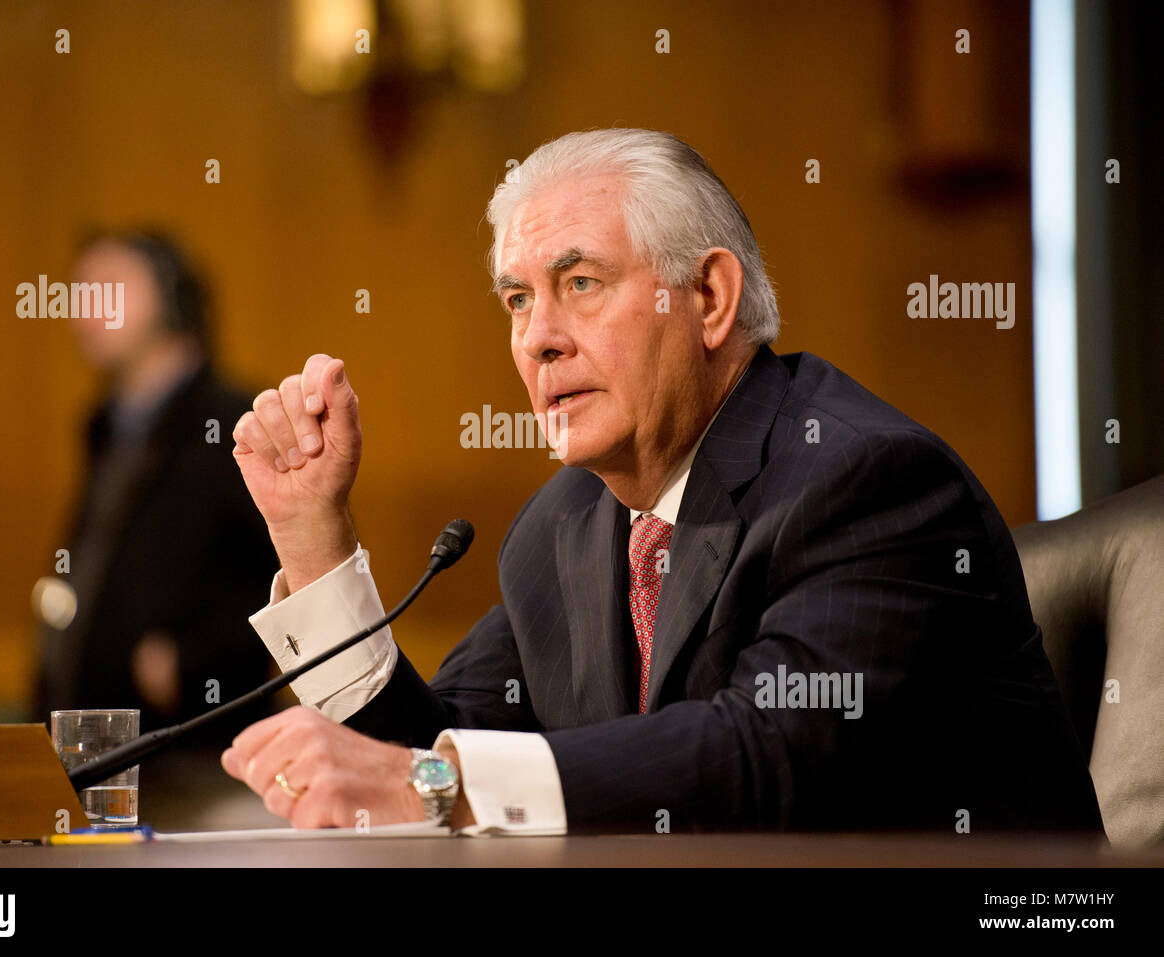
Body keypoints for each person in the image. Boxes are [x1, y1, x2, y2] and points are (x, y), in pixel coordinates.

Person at [220, 129, 1104, 835]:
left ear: (709, 298)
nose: (537, 339)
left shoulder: (864, 479)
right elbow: (429, 758)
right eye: (519, 300)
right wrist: (314, 540)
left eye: (580, 282)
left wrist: (438, 780)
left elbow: (769, 755)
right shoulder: (564, 526)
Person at [34, 231, 277, 824]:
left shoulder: (231, 421)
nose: (81, 305)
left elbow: (287, 571)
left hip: (197, 762)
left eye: (106, 286)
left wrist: (189, 666)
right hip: (92, 753)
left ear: (167, 296)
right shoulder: (106, 426)